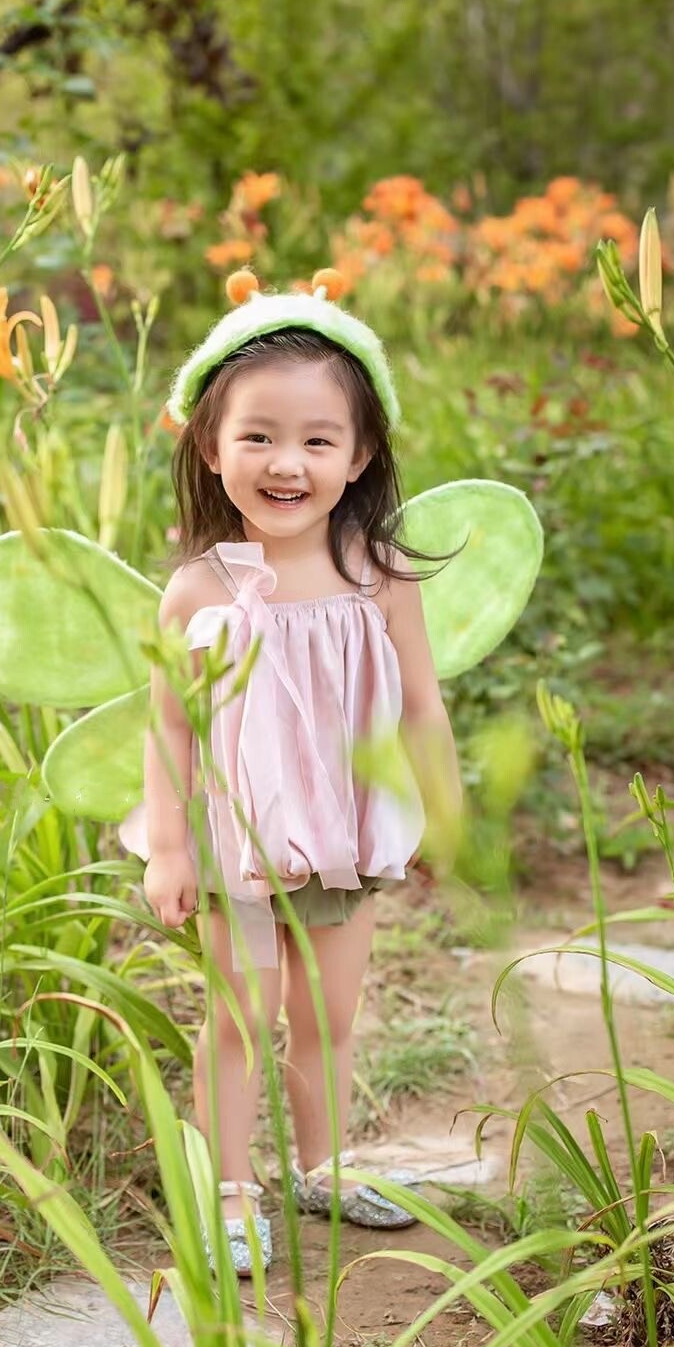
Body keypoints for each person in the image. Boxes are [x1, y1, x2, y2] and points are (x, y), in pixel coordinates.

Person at [132, 266, 462, 1275]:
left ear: (359, 456)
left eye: (318, 441)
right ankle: (230, 1190)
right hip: (238, 846)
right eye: (259, 437)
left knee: (329, 1015)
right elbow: (170, 727)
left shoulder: (381, 578)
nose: (287, 464)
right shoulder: (200, 590)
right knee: (240, 1017)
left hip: (345, 836)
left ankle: (322, 1168)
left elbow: (421, 705)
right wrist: (169, 848)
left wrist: (443, 815)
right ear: (209, 445)